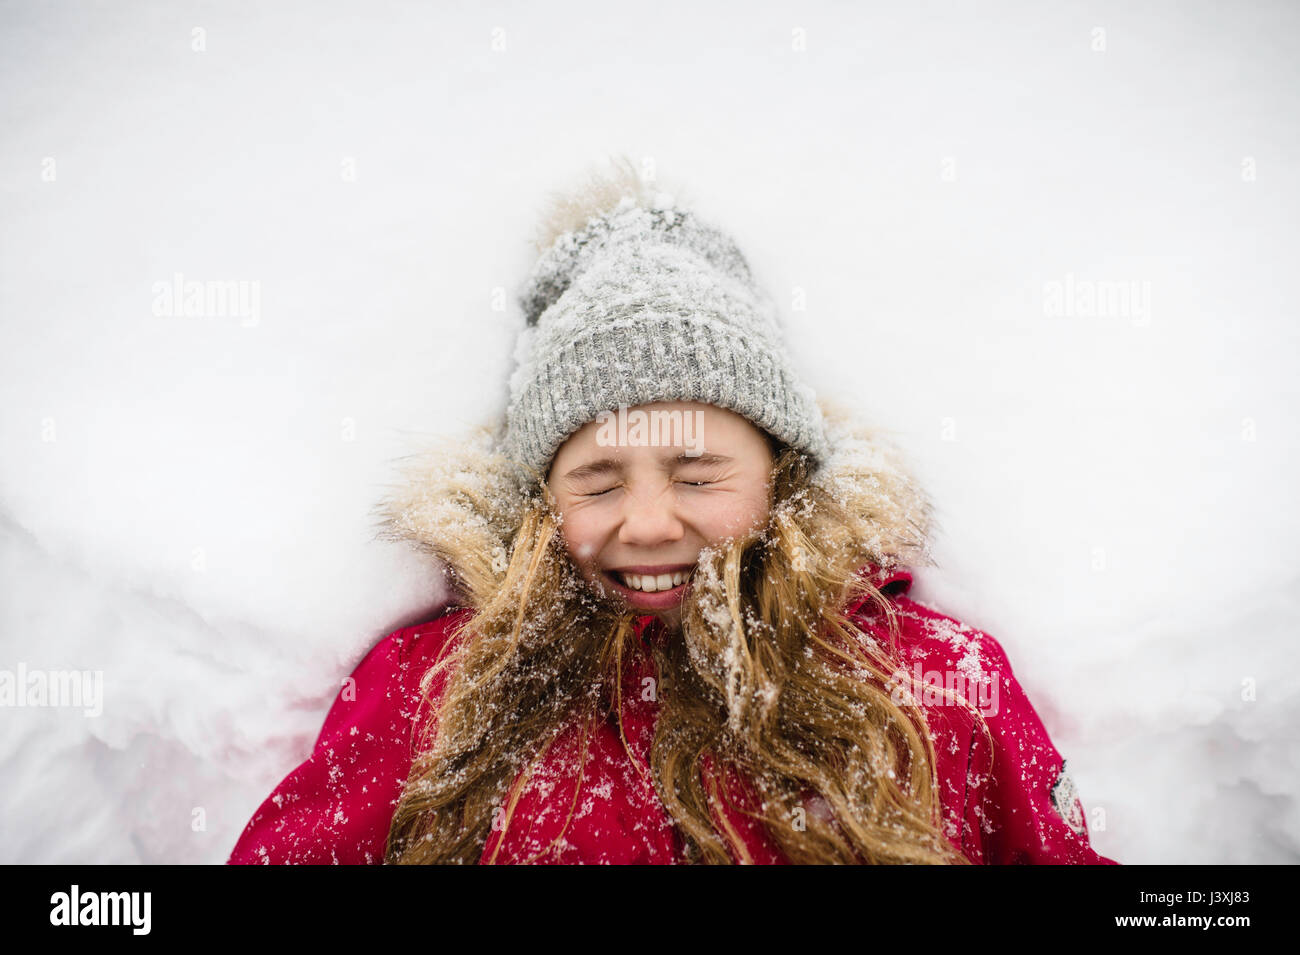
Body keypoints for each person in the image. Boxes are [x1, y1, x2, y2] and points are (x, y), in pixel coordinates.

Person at [227, 157, 1118, 865]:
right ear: (540, 497)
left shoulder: (936, 687)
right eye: (600, 481)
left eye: (697, 474)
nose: (648, 523)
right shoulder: (437, 695)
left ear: (781, 471)